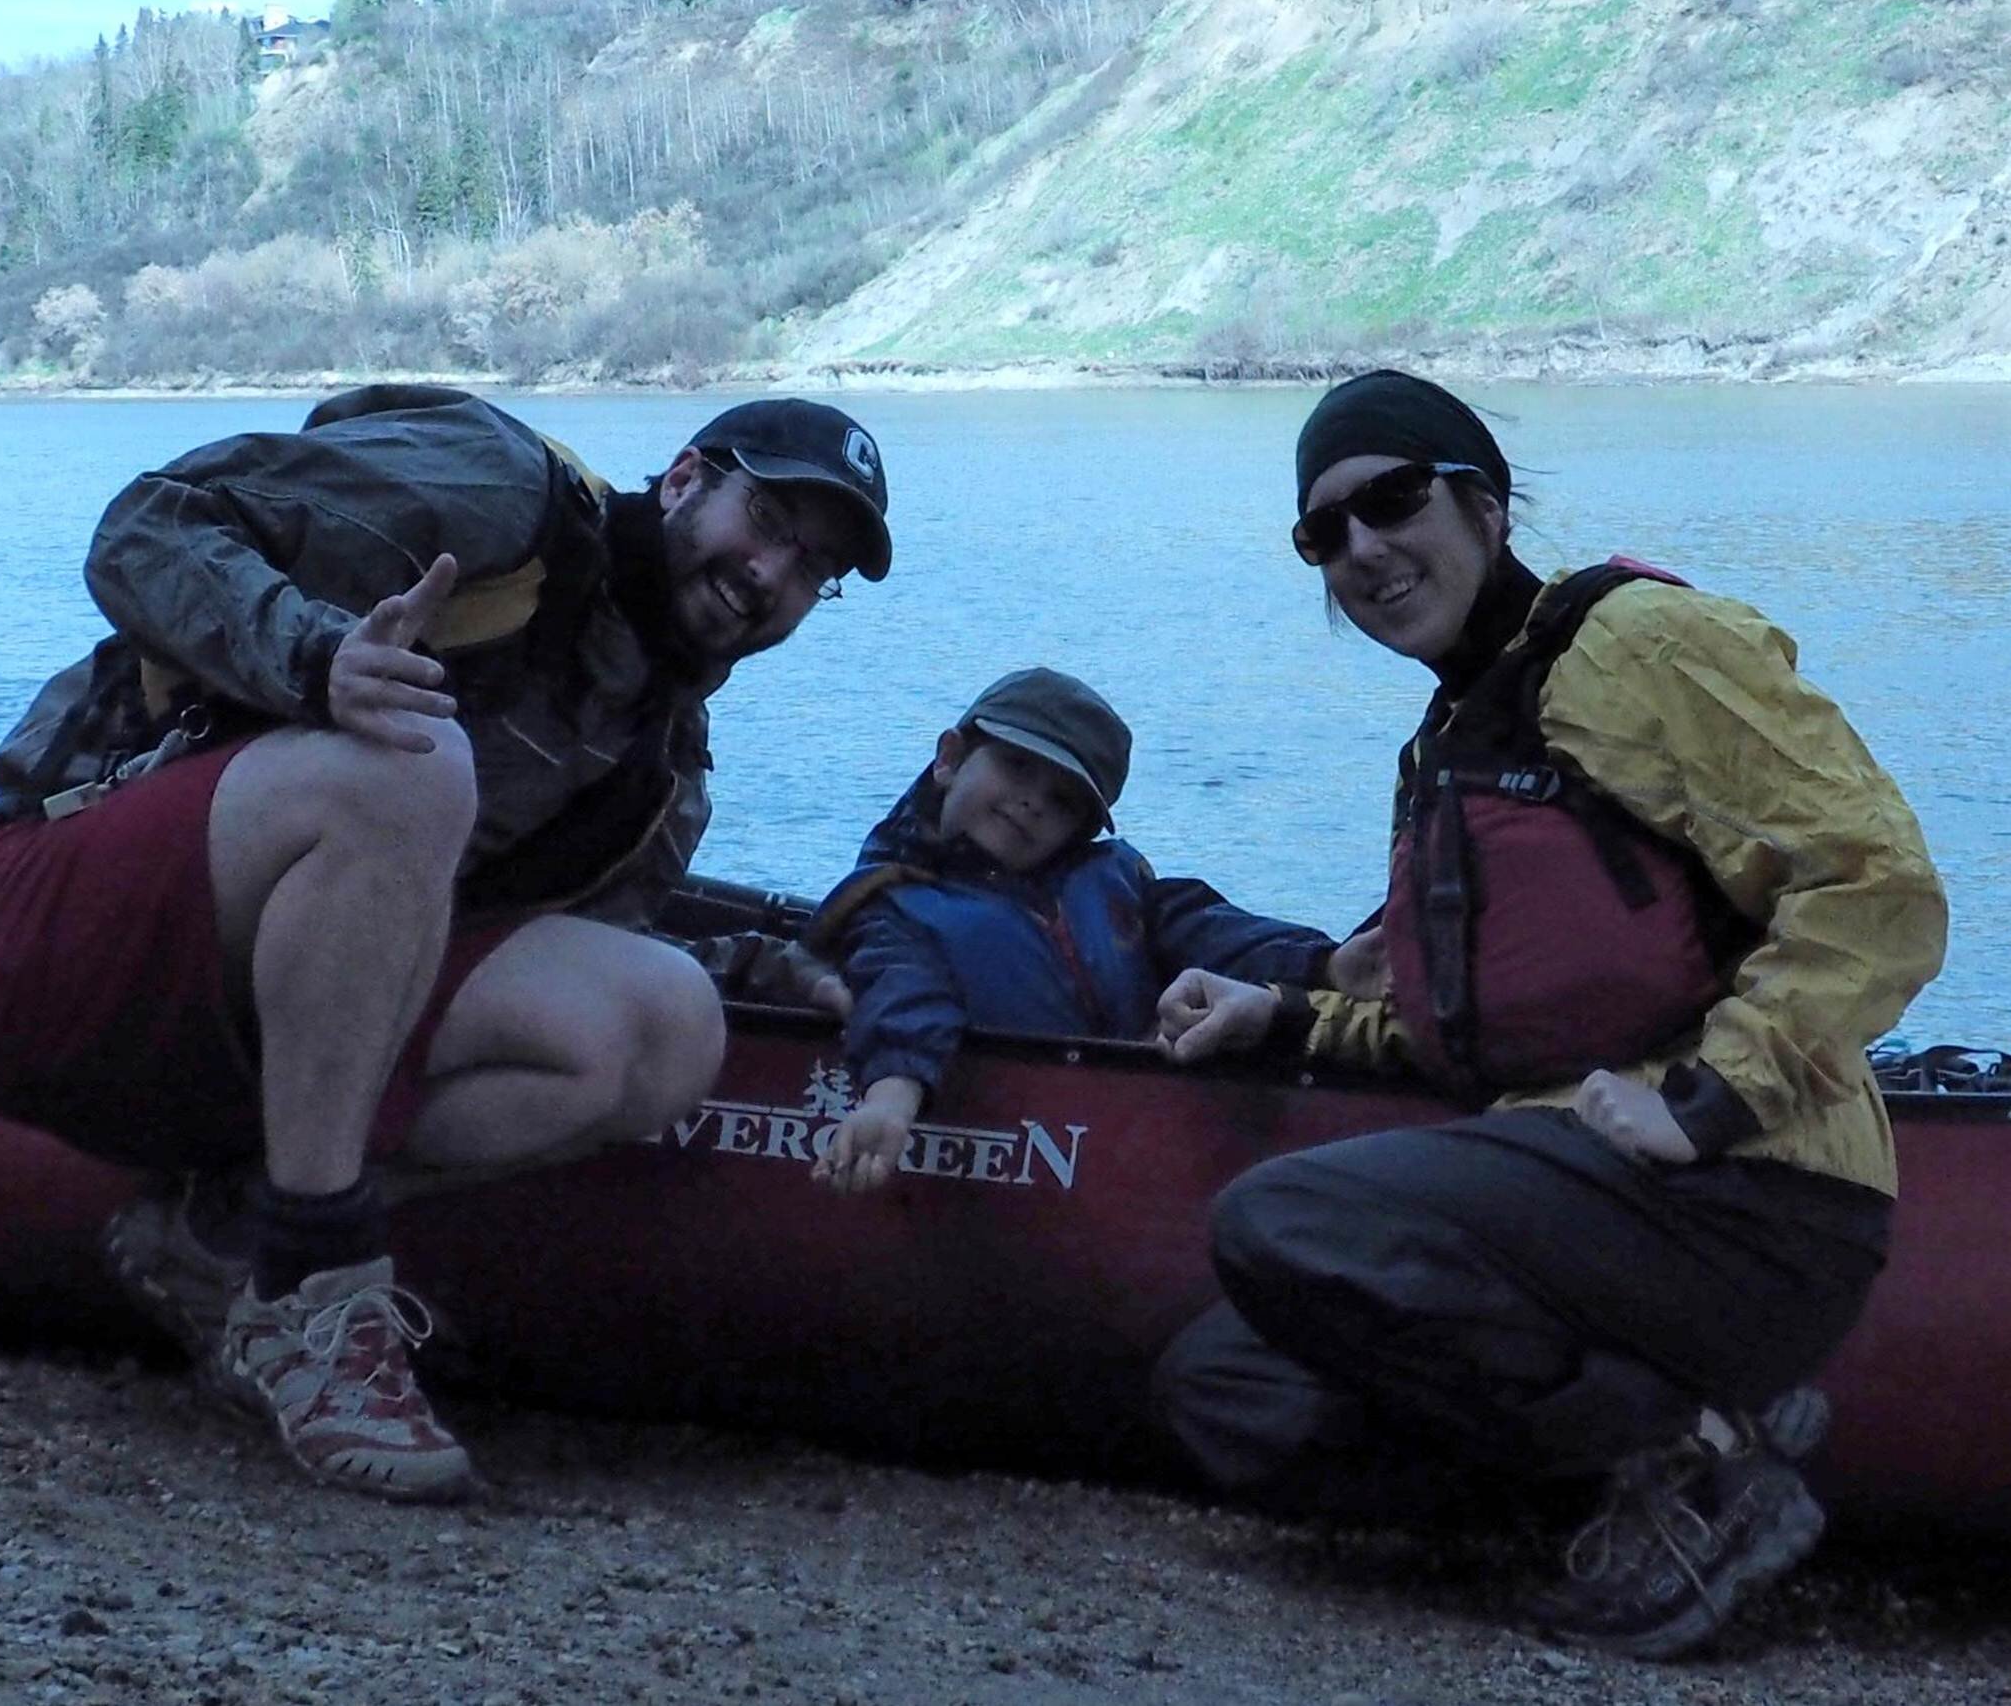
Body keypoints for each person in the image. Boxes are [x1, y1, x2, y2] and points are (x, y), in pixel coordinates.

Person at [0, 385, 890, 1501]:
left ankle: (220, 1229)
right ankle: (313, 1290)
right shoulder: (498, 491)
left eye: (815, 571)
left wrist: (759, 966)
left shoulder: (657, 779)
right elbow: (149, 525)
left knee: (665, 1024)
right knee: (414, 760)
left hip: (229, 1062)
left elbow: (520, 949)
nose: (772, 576)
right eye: (767, 522)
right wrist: (315, 658)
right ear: (683, 479)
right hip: (41, 942)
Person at [1152, 370, 1947, 1659]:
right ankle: (1633, 1492)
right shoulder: (1456, 736)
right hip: (1578, 1211)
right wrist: (1284, 1018)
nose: (1362, 549)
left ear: (1484, 504)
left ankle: (1694, 1454)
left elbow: (1876, 886)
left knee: (1277, 1218)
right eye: (1323, 534)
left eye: (1392, 500)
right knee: (1224, 1389)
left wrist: (1707, 1101)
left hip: (1746, 1201)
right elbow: (1490, 1012)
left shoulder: (1642, 645)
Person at [806, 666, 1338, 1194]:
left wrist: (1326, 965)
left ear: (1080, 830)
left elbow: (1212, 930)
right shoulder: (891, 909)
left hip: (1146, 1123)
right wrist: (891, 1098)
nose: (1033, 801)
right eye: (1016, 766)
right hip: (1046, 1137)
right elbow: (902, 996)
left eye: (1062, 801)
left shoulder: (1117, 883)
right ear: (949, 759)